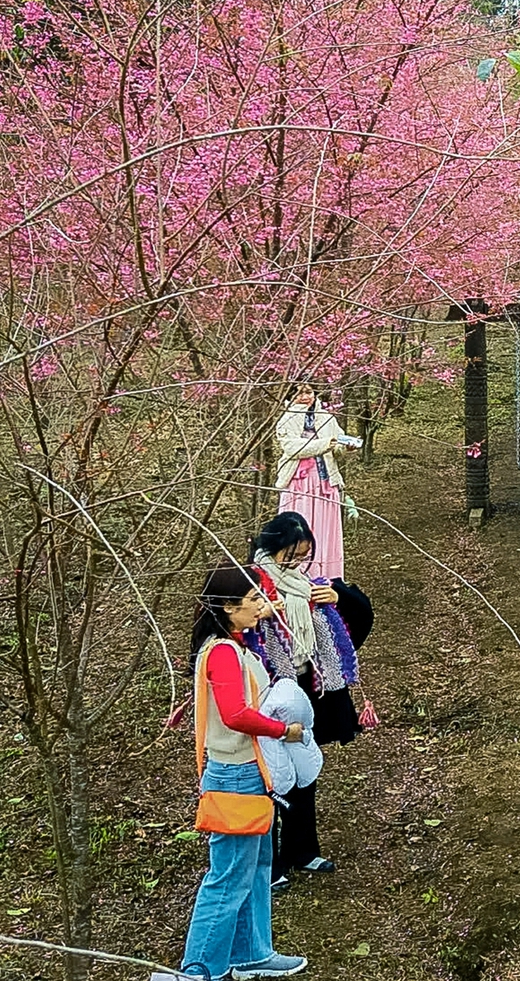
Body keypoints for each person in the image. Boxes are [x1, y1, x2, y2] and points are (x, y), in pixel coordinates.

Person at [153, 563, 308, 980]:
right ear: (226, 607)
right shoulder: (222, 652)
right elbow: (235, 714)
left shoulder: (232, 647)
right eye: (253, 599)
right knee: (228, 878)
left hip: (250, 773)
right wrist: (284, 730)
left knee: (257, 868)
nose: (262, 604)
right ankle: (199, 969)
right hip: (235, 775)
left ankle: (251, 952)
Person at [248, 512, 369, 888]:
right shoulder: (250, 584)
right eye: (290, 556)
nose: (297, 564)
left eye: (304, 555)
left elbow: (355, 622)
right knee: (271, 777)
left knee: (304, 770)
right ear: (271, 549)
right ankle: (269, 865)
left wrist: (339, 596)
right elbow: (228, 628)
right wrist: (263, 612)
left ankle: (302, 850)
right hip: (268, 694)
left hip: (307, 688)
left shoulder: (308, 585)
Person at [273, 381, 361, 579]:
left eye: (309, 392)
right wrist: (325, 444)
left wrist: (346, 447)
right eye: (299, 393)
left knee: (325, 533)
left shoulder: (326, 418)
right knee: (300, 530)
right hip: (300, 485)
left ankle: (328, 577)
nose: (305, 397)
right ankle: (297, 576)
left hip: (325, 483)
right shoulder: (287, 419)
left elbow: (336, 444)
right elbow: (292, 448)